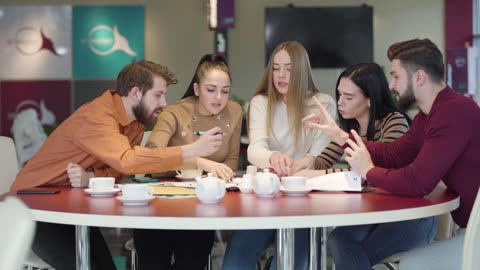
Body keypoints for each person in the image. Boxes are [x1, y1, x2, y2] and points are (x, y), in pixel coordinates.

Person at [10, 60, 225, 270]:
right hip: (32, 207)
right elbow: (128, 161)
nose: (164, 103)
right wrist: (192, 150)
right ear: (135, 93)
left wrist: (92, 176)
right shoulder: (98, 116)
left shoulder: (136, 121)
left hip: (67, 205)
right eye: (158, 95)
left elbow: (120, 170)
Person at [304, 38, 480, 270]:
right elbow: (394, 154)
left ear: (418, 77)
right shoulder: (426, 117)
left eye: (396, 76)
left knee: (412, 264)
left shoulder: (453, 111)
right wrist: (341, 137)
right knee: (351, 246)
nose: (390, 85)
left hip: (474, 235)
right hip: (468, 229)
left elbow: (418, 182)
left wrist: (368, 170)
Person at [298, 62, 437, 270]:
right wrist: (302, 163)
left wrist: (317, 174)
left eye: (349, 97)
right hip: (374, 214)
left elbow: (369, 174)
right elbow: (321, 161)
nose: (340, 102)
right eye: (339, 95)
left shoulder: (395, 122)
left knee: (352, 252)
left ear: (370, 99)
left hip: (411, 217)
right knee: (339, 239)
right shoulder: (350, 125)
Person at [222, 41, 336, 270]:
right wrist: (274, 156)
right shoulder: (260, 102)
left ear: (302, 70)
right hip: (264, 197)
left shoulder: (323, 104)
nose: (280, 75)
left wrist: (301, 163)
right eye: (275, 68)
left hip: (303, 200)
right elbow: (255, 150)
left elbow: (319, 154)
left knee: (289, 265)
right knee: (235, 263)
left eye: (289, 69)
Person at [133, 54, 242, 270]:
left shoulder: (235, 111)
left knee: (192, 263)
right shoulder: (174, 112)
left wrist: (214, 174)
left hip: (201, 207)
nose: (219, 97)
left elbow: (230, 162)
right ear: (197, 89)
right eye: (211, 89)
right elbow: (150, 155)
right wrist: (200, 162)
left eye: (225, 91)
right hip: (160, 206)